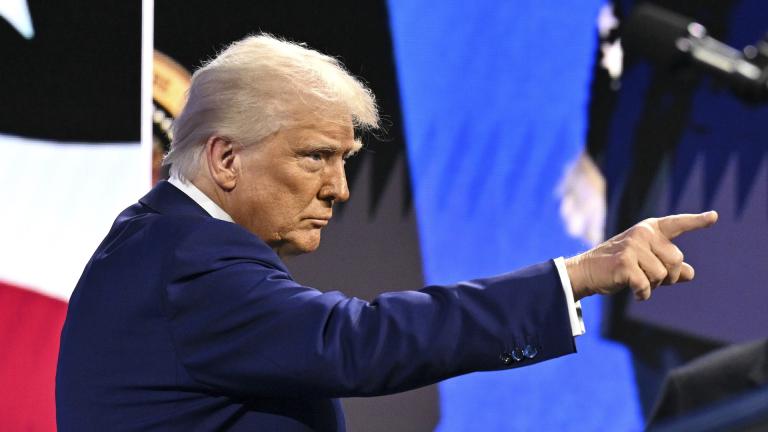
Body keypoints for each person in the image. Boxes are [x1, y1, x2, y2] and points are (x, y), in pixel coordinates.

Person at [55, 34, 718, 431]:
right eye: (316, 156)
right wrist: (578, 275)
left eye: (345, 162)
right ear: (226, 158)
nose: (339, 188)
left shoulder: (157, 244)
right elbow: (360, 342)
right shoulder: (186, 258)